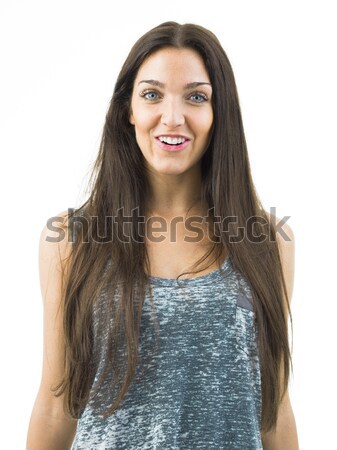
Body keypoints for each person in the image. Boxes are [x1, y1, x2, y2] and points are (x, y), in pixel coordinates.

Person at [26, 21, 299, 450]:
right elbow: (54, 406)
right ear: (128, 110)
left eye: (196, 96)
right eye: (152, 94)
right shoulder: (70, 239)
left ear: (218, 113)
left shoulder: (268, 242)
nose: (173, 117)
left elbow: (275, 409)